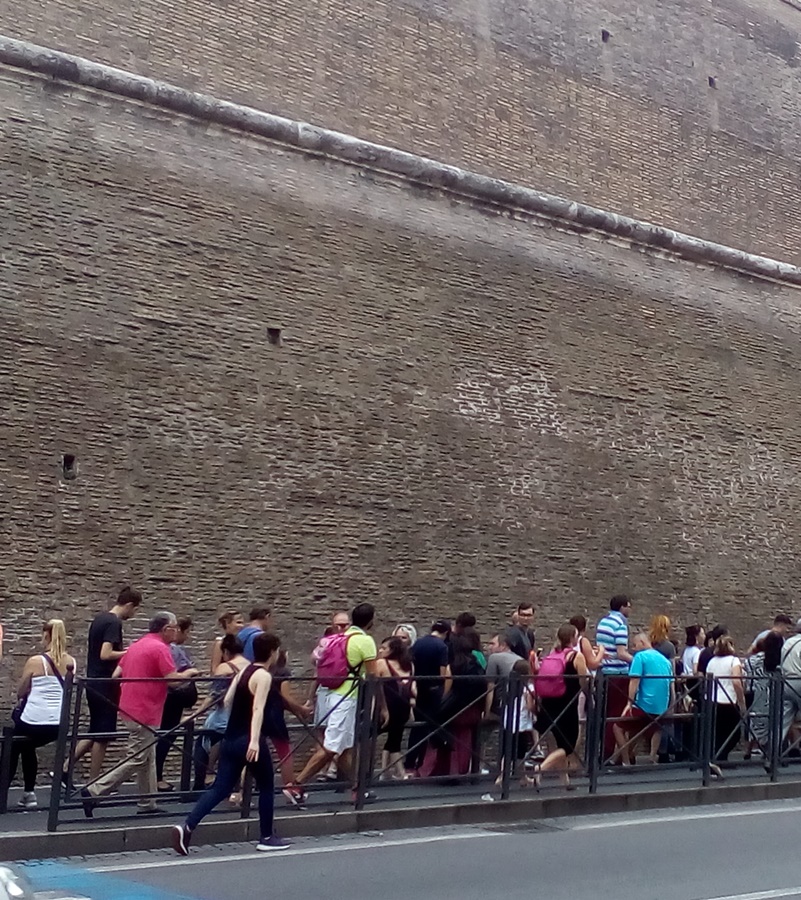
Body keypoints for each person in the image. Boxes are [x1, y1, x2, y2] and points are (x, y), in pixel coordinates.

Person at [172, 632, 289, 855]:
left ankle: (187, 826)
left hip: (230, 738)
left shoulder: (243, 671)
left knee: (220, 787)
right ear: (273, 653)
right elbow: (258, 709)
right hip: (248, 739)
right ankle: (266, 837)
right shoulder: (263, 676)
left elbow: (226, 700)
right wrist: (254, 741)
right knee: (266, 786)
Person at [81, 612, 199, 817]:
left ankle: (148, 803)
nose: (176, 632)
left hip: (130, 706)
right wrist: (189, 673)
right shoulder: (160, 648)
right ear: (165, 629)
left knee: (147, 757)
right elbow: (173, 681)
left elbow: (116, 675)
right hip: (145, 710)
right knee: (137, 757)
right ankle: (93, 791)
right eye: (174, 628)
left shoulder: (137, 644)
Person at [290, 604, 379, 803]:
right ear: (371, 621)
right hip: (346, 697)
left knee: (345, 747)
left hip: (330, 693)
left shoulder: (338, 638)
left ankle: (357, 789)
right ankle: (296, 785)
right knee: (331, 747)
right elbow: (373, 675)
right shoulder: (365, 641)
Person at [71, 587, 142, 781]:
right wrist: (130, 652)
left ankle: (64, 769)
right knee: (102, 737)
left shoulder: (99, 619)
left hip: (93, 682)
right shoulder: (113, 622)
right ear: (129, 605)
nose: (134, 614)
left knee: (95, 730)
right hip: (105, 684)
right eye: (135, 609)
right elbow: (105, 654)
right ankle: (94, 783)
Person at [12, 620, 76, 809]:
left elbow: (21, 691)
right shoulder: (71, 662)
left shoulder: (35, 661)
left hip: (33, 721)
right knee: (26, 746)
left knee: (12, 746)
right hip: (58, 723)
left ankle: (10, 791)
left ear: (46, 635)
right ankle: (28, 794)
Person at [420, 634, 485, 777]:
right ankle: (463, 769)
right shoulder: (477, 665)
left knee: (440, 728)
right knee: (465, 739)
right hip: (472, 710)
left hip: (454, 712)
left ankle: (447, 769)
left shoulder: (453, 665)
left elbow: (446, 691)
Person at [534, 624, 588, 790]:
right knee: (568, 746)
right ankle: (540, 769)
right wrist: (588, 692)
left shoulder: (552, 654)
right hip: (567, 704)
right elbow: (583, 679)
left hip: (548, 702)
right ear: (572, 638)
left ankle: (565, 782)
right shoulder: (576, 656)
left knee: (556, 743)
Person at [193, 634, 248, 790]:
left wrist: (194, 714)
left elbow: (213, 697)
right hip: (243, 721)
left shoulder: (225, 668)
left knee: (201, 745)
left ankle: (200, 784)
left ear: (226, 652)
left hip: (223, 720)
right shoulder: (251, 667)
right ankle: (237, 788)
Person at [612, 633, 673, 766]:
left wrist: (629, 702)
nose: (633, 648)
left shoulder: (640, 657)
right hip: (661, 707)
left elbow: (634, 680)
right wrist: (671, 706)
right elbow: (671, 685)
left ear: (642, 642)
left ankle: (625, 761)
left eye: (635, 645)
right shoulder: (665, 660)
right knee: (646, 728)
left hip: (645, 706)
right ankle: (650, 757)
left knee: (617, 727)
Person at [156, 616, 197, 791]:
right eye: (187, 632)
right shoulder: (173, 650)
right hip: (171, 698)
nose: (187, 637)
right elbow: (177, 675)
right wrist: (191, 672)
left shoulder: (166, 648)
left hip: (165, 698)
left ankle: (155, 776)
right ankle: (157, 777)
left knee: (163, 735)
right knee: (166, 735)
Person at [407, 620, 452, 774]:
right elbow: (442, 673)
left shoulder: (418, 643)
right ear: (446, 633)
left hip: (418, 689)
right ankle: (422, 764)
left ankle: (410, 762)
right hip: (433, 691)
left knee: (417, 728)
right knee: (431, 727)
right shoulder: (442, 647)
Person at [596, 595, 633, 761]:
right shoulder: (620, 625)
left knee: (605, 714)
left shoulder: (603, 622)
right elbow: (621, 653)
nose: (630, 610)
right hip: (618, 675)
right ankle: (607, 755)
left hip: (604, 674)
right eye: (629, 606)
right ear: (622, 607)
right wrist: (639, 661)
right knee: (616, 716)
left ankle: (605, 753)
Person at [376, 637, 416, 780]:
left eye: (384, 648)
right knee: (395, 741)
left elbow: (376, 687)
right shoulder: (409, 665)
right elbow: (412, 688)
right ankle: (399, 773)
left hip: (386, 708)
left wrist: (380, 708)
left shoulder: (381, 663)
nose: (380, 651)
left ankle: (363, 773)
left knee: (366, 736)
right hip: (402, 707)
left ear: (393, 650)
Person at [706, 635, 745, 769]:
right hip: (729, 700)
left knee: (718, 732)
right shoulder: (734, 661)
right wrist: (742, 702)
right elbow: (736, 681)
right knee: (734, 733)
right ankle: (721, 757)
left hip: (712, 699)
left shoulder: (712, 661)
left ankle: (717, 758)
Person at [484, 631, 523, 718]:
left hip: (501, 704)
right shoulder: (520, 659)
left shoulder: (494, 657)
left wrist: (487, 713)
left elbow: (490, 687)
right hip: (519, 705)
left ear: (503, 645)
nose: (489, 647)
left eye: (492, 644)